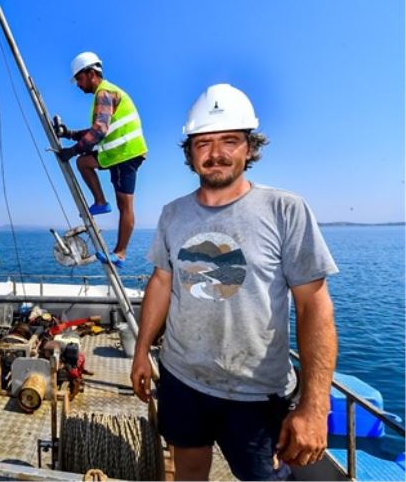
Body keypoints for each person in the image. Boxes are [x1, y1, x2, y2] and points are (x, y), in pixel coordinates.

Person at [130, 83, 338, 481]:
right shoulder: (173, 215)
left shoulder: (285, 210)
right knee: (188, 468)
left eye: (230, 140)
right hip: (181, 377)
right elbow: (161, 282)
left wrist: (314, 406)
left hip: (257, 393)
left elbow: (315, 306)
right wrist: (142, 351)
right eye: (203, 143)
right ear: (190, 153)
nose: (217, 153)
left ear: (250, 148)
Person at [56, 51, 148, 268]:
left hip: (126, 153)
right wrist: (68, 133)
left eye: (79, 79)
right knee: (84, 163)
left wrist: (72, 150)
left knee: (125, 205)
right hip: (116, 153)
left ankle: (121, 252)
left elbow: (98, 131)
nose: (78, 85)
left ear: (90, 74)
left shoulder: (103, 92)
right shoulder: (106, 93)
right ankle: (100, 202)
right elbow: (95, 129)